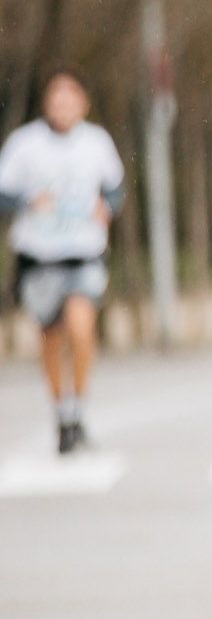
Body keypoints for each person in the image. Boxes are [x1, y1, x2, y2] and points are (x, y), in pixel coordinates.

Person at [0, 71, 126, 454]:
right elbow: (4, 194)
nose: (62, 106)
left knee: (81, 327)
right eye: (56, 99)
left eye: (69, 99)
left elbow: (116, 187)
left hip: (83, 252)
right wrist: (26, 203)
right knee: (51, 340)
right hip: (40, 256)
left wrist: (108, 207)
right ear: (47, 104)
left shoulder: (97, 142)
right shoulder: (25, 145)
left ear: (82, 104)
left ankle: (79, 403)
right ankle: (63, 413)